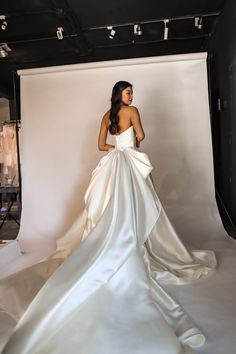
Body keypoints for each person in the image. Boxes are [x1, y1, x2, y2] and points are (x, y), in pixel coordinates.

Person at [1, 81, 216, 354]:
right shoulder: (133, 110)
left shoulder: (106, 116)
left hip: (114, 162)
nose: (132, 95)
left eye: (132, 93)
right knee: (137, 202)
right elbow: (141, 134)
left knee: (111, 204)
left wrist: (116, 149)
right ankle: (134, 240)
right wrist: (133, 142)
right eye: (128, 92)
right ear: (120, 94)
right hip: (130, 161)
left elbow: (101, 144)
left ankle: (117, 236)